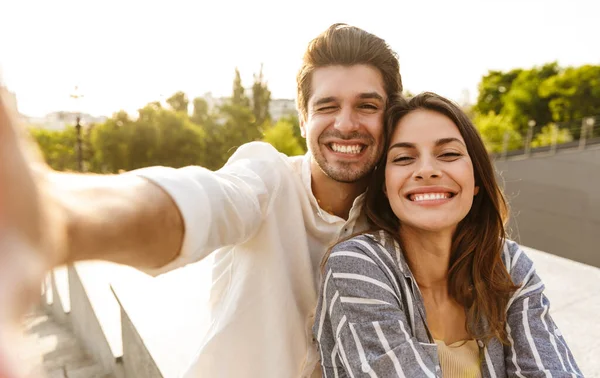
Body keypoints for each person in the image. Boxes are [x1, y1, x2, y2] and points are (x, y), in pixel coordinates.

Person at [0, 23, 402, 378]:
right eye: (326, 106)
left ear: (391, 117)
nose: (346, 124)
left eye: (366, 106)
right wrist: (59, 220)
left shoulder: (402, 217)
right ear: (302, 120)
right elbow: (206, 201)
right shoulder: (267, 178)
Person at [313, 92, 583, 377]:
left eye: (449, 154)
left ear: (476, 179)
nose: (427, 170)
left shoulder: (508, 264)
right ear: (384, 186)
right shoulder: (357, 265)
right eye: (404, 158)